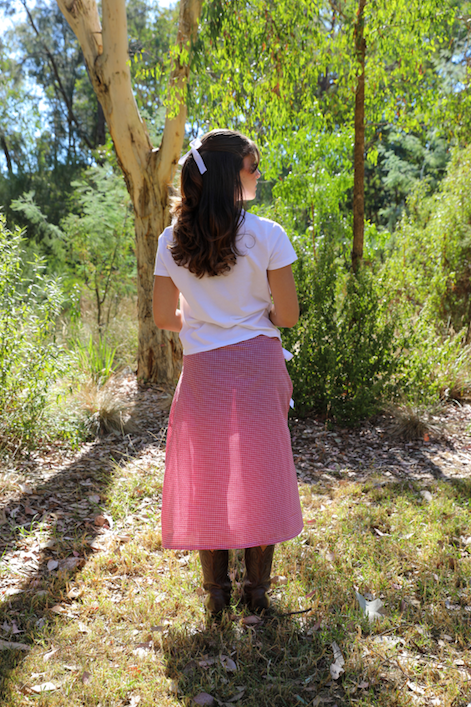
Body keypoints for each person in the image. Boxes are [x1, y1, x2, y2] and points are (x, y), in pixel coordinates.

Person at [152, 129, 303, 616]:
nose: (258, 174)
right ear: (228, 176)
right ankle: (256, 594)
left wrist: (202, 321)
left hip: (204, 373)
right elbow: (288, 315)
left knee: (210, 474)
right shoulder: (268, 234)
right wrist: (251, 317)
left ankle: (216, 596)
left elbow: (162, 317)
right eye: (252, 167)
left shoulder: (169, 241)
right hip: (258, 365)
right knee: (260, 471)